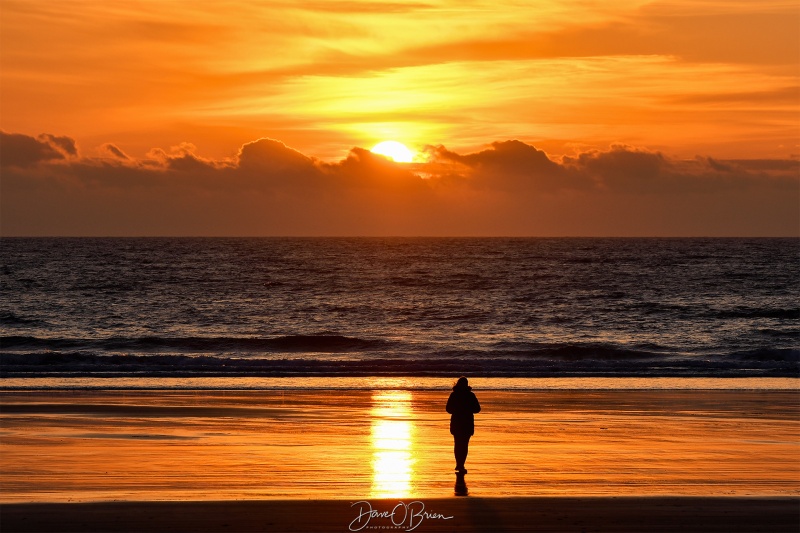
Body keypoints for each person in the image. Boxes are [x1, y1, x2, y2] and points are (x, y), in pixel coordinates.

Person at [446, 376, 481, 474]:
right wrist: (467, 409)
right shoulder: (470, 395)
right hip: (467, 422)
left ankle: (459, 464)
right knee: (464, 444)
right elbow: (477, 409)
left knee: (457, 444)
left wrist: (457, 410)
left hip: (457, 422)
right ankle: (461, 464)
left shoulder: (454, 395)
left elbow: (448, 409)